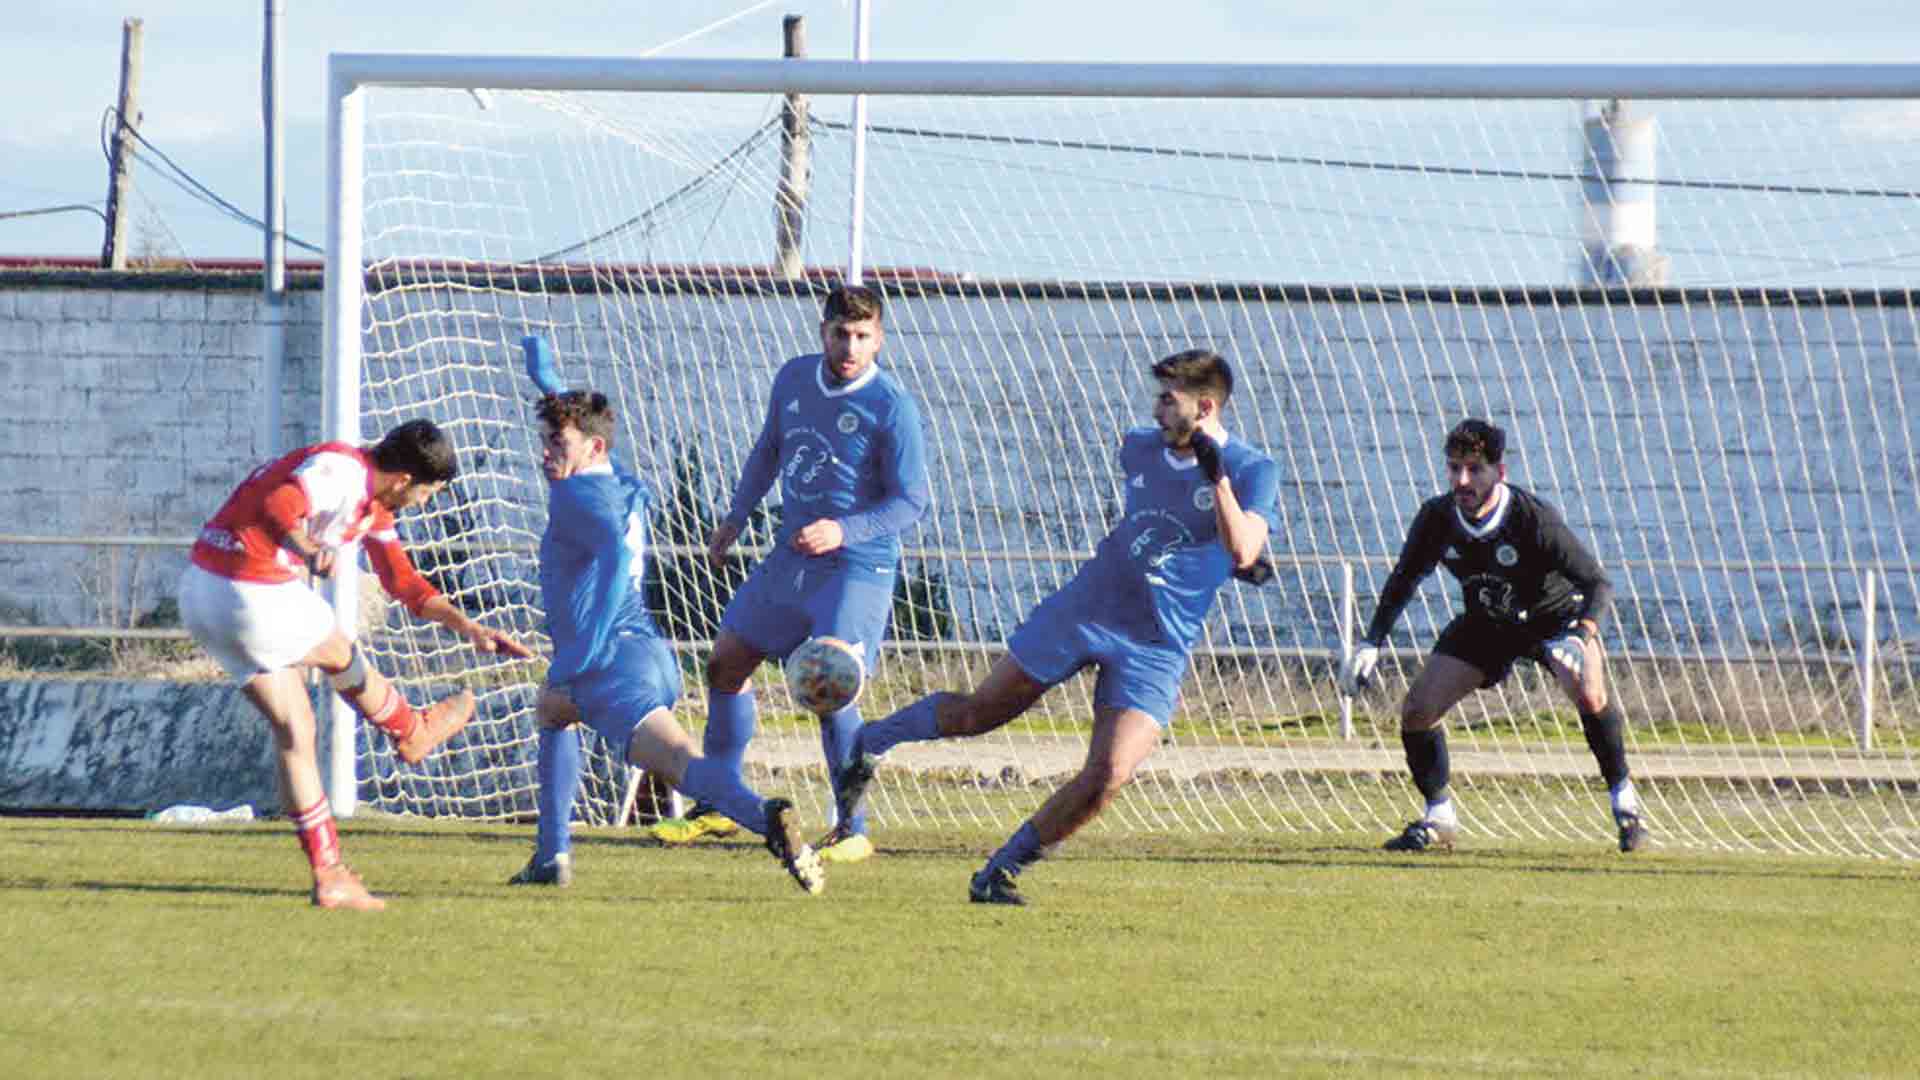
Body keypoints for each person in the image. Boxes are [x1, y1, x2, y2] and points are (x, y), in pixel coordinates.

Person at [833, 348, 1278, 905]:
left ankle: (999, 872)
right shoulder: (1139, 448)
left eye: (1169, 400)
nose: (1157, 410)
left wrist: (1218, 483)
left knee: (1110, 773)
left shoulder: (1253, 470)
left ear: (1205, 405)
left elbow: (1242, 551)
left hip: (1157, 643)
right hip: (1087, 608)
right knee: (978, 714)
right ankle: (869, 745)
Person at [177, 419, 534, 910]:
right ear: (405, 480)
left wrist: (468, 627)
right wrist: (306, 546)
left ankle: (330, 874)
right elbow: (280, 502)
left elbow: (403, 582)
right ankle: (412, 729)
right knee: (339, 649)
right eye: (429, 493)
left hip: (203, 595)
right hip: (248, 589)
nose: (427, 503)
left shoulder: (374, 506)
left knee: (296, 730)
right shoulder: (342, 470)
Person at [506, 380, 824, 896]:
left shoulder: (573, 494)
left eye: (556, 444)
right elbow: (600, 473)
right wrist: (550, 387)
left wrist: (586, 650)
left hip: (607, 663)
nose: (545, 454)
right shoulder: (620, 483)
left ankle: (765, 817)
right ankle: (550, 854)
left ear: (594, 448)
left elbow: (612, 556)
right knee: (551, 711)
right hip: (650, 652)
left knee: (680, 762)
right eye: (543, 440)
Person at [649, 284, 930, 865]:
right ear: (822, 332)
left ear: (880, 338)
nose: (850, 346)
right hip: (792, 556)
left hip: (857, 565)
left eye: (862, 336)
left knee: (829, 681)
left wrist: (843, 530)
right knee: (725, 661)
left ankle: (852, 826)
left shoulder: (892, 405)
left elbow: (911, 503)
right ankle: (722, 805)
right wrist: (734, 516)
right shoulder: (794, 379)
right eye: (840, 334)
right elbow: (769, 450)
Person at [1340, 418, 1647, 854]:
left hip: (1553, 621)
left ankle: (1627, 806)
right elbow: (1404, 578)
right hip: (1488, 622)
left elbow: (1598, 583)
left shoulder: (1531, 518)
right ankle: (1440, 817)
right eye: (1454, 468)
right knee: (1417, 710)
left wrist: (1581, 634)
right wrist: (1372, 641)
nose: (1462, 480)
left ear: (1499, 472)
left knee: (1590, 694)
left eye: (1474, 469)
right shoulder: (1438, 517)